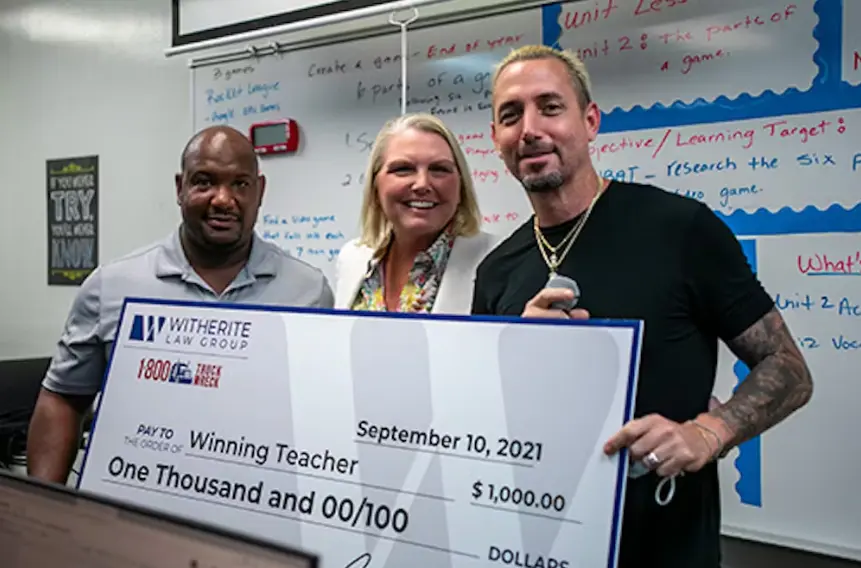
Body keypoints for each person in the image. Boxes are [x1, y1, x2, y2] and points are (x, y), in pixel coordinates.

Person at [472, 45, 813, 568]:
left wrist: (709, 432)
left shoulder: (679, 229)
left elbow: (789, 368)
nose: (530, 129)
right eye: (510, 115)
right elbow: (477, 416)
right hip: (535, 540)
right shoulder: (497, 271)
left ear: (590, 122)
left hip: (666, 544)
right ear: (495, 139)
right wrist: (518, 350)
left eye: (550, 106)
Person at [27, 125, 334, 485]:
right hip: (129, 513)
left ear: (260, 191)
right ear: (180, 187)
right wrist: (45, 511)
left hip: (257, 510)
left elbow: (318, 416)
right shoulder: (110, 287)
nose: (223, 199)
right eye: (205, 181)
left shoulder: (309, 292)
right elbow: (63, 398)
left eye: (240, 184)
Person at [335, 113, 499, 314]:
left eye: (439, 169)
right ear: (375, 186)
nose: (422, 184)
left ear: (461, 186)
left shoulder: (497, 260)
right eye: (403, 169)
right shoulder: (352, 259)